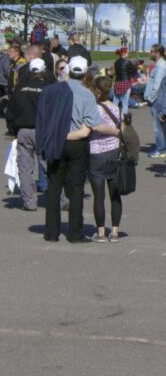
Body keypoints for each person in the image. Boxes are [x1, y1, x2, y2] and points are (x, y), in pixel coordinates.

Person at [36, 56, 118, 243]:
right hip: (77, 144)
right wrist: (116, 131)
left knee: (54, 188)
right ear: (86, 73)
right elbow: (95, 125)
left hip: (56, 142)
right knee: (76, 188)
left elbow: (43, 118)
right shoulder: (86, 94)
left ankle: (51, 232)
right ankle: (75, 233)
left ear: (68, 70)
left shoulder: (51, 91)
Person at [8, 59, 53, 211]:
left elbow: (11, 110)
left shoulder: (20, 88)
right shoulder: (48, 87)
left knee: (25, 169)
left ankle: (29, 202)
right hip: (43, 131)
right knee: (50, 167)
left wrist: (13, 130)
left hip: (23, 130)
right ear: (43, 71)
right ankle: (60, 199)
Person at [88, 76, 124, 243]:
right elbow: (123, 129)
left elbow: (91, 128)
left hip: (96, 152)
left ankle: (101, 232)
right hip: (114, 151)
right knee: (115, 194)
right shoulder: (117, 108)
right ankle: (115, 231)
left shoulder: (93, 109)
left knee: (99, 196)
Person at [144, 44, 166, 158]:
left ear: (157, 53)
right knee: (161, 125)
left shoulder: (161, 66)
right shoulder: (159, 65)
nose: (150, 53)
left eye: (152, 51)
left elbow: (156, 85)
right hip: (157, 99)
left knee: (157, 126)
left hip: (157, 99)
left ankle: (161, 149)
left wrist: (150, 98)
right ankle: (162, 147)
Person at [112, 47, 137, 115]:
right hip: (126, 83)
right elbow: (135, 69)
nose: (128, 54)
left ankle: (112, 115)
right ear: (124, 53)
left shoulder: (116, 62)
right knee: (125, 102)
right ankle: (124, 116)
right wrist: (131, 74)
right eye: (127, 52)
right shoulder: (127, 62)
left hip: (117, 82)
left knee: (116, 100)